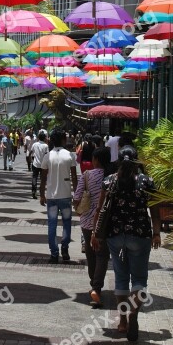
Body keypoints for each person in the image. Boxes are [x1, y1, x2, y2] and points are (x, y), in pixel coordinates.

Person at [91, 146, 161, 342]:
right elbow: (155, 211)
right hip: (140, 236)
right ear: (137, 161)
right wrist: (156, 233)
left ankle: (122, 322)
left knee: (121, 278)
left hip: (114, 236)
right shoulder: (146, 182)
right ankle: (134, 314)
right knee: (139, 279)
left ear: (119, 161)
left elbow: (99, 208)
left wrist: (95, 233)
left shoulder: (109, 181)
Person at [73, 147, 111, 308]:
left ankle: (94, 285)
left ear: (95, 160)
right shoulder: (111, 177)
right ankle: (97, 287)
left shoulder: (87, 175)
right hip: (105, 222)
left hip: (88, 221)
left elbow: (76, 197)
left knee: (91, 254)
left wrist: (77, 208)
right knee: (102, 254)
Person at [40, 127, 77, 263]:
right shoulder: (70, 155)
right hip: (66, 195)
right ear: (63, 139)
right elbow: (74, 177)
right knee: (67, 223)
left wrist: (41, 194)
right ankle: (65, 248)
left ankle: (54, 253)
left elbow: (43, 178)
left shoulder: (47, 156)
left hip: (51, 196)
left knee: (52, 224)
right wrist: (77, 194)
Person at [30, 132, 49, 199]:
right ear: (44, 138)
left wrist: (31, 159)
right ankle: (41, 192)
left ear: (38, 138)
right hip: (43, 165)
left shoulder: (35, 144)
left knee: (34, 177)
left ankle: (34, 191)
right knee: (42, 179)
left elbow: (31, 152)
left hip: (35, 164)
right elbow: (47, 155)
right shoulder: (46, 146)